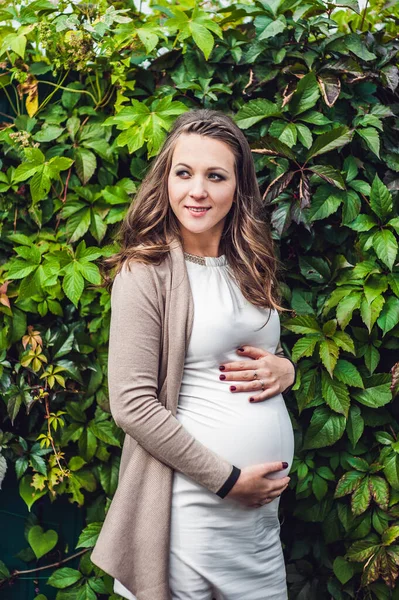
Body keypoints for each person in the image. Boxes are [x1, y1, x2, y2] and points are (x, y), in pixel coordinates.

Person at [91, 109, 296, 600]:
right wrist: (227, 481)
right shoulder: (145, 273)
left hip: (257, 525)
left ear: (238, 187)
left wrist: (285, 368)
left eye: (215, 176)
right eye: (183, 173)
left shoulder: (251, 262)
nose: (197, 190)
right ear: (165, 179)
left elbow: (245, 349)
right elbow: (132, 404)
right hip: (189, 512)